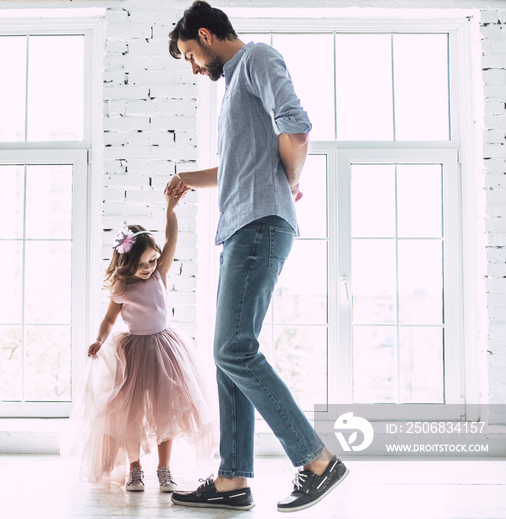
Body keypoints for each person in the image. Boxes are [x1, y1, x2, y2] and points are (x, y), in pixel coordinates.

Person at [164, 1, 348, 513]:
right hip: (241, 229)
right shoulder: (233, 86)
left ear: (205, 33)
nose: (195, 68)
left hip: (258, 225)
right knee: (230, 358)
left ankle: (316, 460)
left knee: (234, 350)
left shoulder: (257, 58)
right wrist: (188, 179)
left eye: (190, 56)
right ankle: (232, 481)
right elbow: (238, 168)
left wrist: (288, 183)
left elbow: (297, 127)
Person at [62, 189, 217, 493]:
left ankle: (164, 468)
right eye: (144, 263)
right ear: (127, 261)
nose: (150, 268)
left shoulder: (159, 275)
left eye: (153, 261)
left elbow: (172, 239)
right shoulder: (121, 289)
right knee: (130, 415)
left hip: (165, 349)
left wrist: (170, 208)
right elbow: (109, 320)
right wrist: (98, 339)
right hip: (134, 352)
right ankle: (135, 470)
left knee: (166, 411)